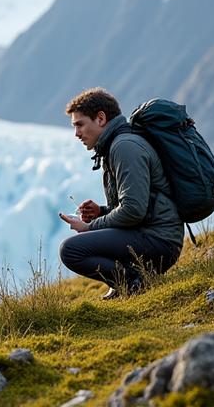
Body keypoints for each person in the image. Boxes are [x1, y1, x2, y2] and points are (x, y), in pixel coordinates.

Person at [58, 88, 184, 300]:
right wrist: (102, 212)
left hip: (159, 240)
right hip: (151, 235)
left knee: (70, 250)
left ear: (100, 118)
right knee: (79, 245)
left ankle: (133, 283)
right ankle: (127, 282)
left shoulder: (124, 147)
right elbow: (139, 205)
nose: (76, 134)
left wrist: (89, 226)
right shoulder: (116, 145)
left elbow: (133, 210)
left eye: (80, 124)